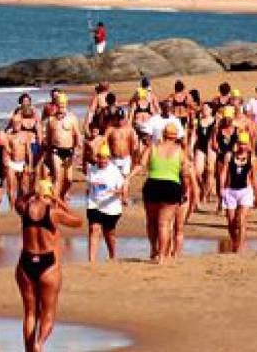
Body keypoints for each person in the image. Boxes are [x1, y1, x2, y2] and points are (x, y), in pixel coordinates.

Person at [14, 179, 83, 352]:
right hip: (48, 264)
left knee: (30, 313)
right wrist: (60, 202)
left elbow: (18, 201)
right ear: (50, 194)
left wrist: (31, 193)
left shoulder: (24, 209)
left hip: (26, 261)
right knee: (48, 312)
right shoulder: (53, 212)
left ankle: (29, 349)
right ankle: (39, 343)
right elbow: (78, 221)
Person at [128, 121, 189, 264]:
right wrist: (185, 191)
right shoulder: (180, 151)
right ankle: (161, 256)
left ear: (163, 135)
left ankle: (154, 249)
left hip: (153, 185)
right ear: (175, 137)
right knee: (164, 224)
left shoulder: (152, 148)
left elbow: (141, 165)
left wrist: (128, 178)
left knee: (151, 221)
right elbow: (185, 174)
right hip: (172, 186)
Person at [85, 143, 125, 263]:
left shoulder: (114, 171)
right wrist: (88, 200)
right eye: (100, 158)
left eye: (105, 158)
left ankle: (113, 255)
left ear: (108, 158)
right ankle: (91, 261)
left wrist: (115, 192)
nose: (102, 161)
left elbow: (122, 189)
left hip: (111, 207)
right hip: (94, 204)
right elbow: (89, 187)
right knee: (94, 228)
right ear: (97, 157)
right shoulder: (91, 169)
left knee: (109, 233)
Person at [220, 135, 257, 252]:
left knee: (242, 219)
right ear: (237, 144)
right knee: (231, 222)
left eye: (245, 144)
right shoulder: (229, 156)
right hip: (230, 191)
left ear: (248, 145)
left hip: (245, 191)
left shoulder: (252, 158)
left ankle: (240, 246)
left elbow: (254, 177)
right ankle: (234, 241)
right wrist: (221, 188)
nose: (243, 146)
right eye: (241, 143)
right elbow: (223, 172)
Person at [44, 95, 82, 201]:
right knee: (57, 176)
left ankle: (63, 194)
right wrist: (47, 155)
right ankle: (55, 200)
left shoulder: (72, 118)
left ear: (66, 105)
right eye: (59, 105)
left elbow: (77, 134)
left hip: (69, 151)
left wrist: (78, 149)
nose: (61, 107)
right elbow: (48, 138)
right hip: (56, 151)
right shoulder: (51, 120)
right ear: (56, 105)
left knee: (68, 179)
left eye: (63, 105)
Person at [192, 102, 218, 207]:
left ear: (211, 110)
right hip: (200, 146)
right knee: (197, 171)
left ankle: (204, 195)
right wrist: (190, 147)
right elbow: (194, 135)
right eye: (203, 108)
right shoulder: (198, 121)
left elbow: (215, 136)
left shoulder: (215, 121)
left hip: (211, 147)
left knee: (210, 170)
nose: (204, 110)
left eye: (207, 108)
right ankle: (202, 187)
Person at [103, 107, 136, 178]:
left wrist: (134, 159)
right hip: (114, 159)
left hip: (126, 158)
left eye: (121, 118)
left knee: (125, 179)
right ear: (115, 118)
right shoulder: (110, 130)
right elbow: (104, 143)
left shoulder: (129, 129)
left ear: (124, 118)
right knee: (114, 178)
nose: (120, 121)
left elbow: (133, 145)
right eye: (118, 118)